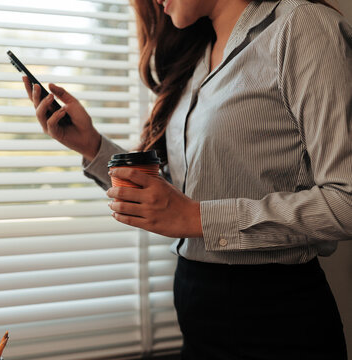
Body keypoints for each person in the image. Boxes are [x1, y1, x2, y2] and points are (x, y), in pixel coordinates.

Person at [23, 0, 351, 358]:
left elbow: (346, 199)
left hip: (275, 319)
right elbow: (184, 196)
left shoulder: (301, 26)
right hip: (197, 309)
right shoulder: (197, 56)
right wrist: (93, 147)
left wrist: (198, 218)